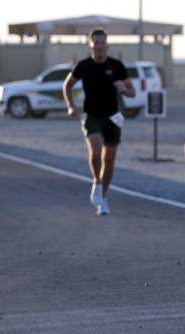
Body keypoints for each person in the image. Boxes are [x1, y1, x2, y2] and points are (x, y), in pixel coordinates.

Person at [63, 28, 136, 216]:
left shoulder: (117, 66)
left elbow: (132, 91)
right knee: (96, 151)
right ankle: (97, 181)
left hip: (112, 116)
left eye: (102, 42)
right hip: (91, 115)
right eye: (96, 43)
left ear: (107, 45)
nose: (100, 46)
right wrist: (71, 105)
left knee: (109, 160)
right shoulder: (84, 65)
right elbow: (68, 84)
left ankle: (102, 198)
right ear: (91, 46)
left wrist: (123, 89)